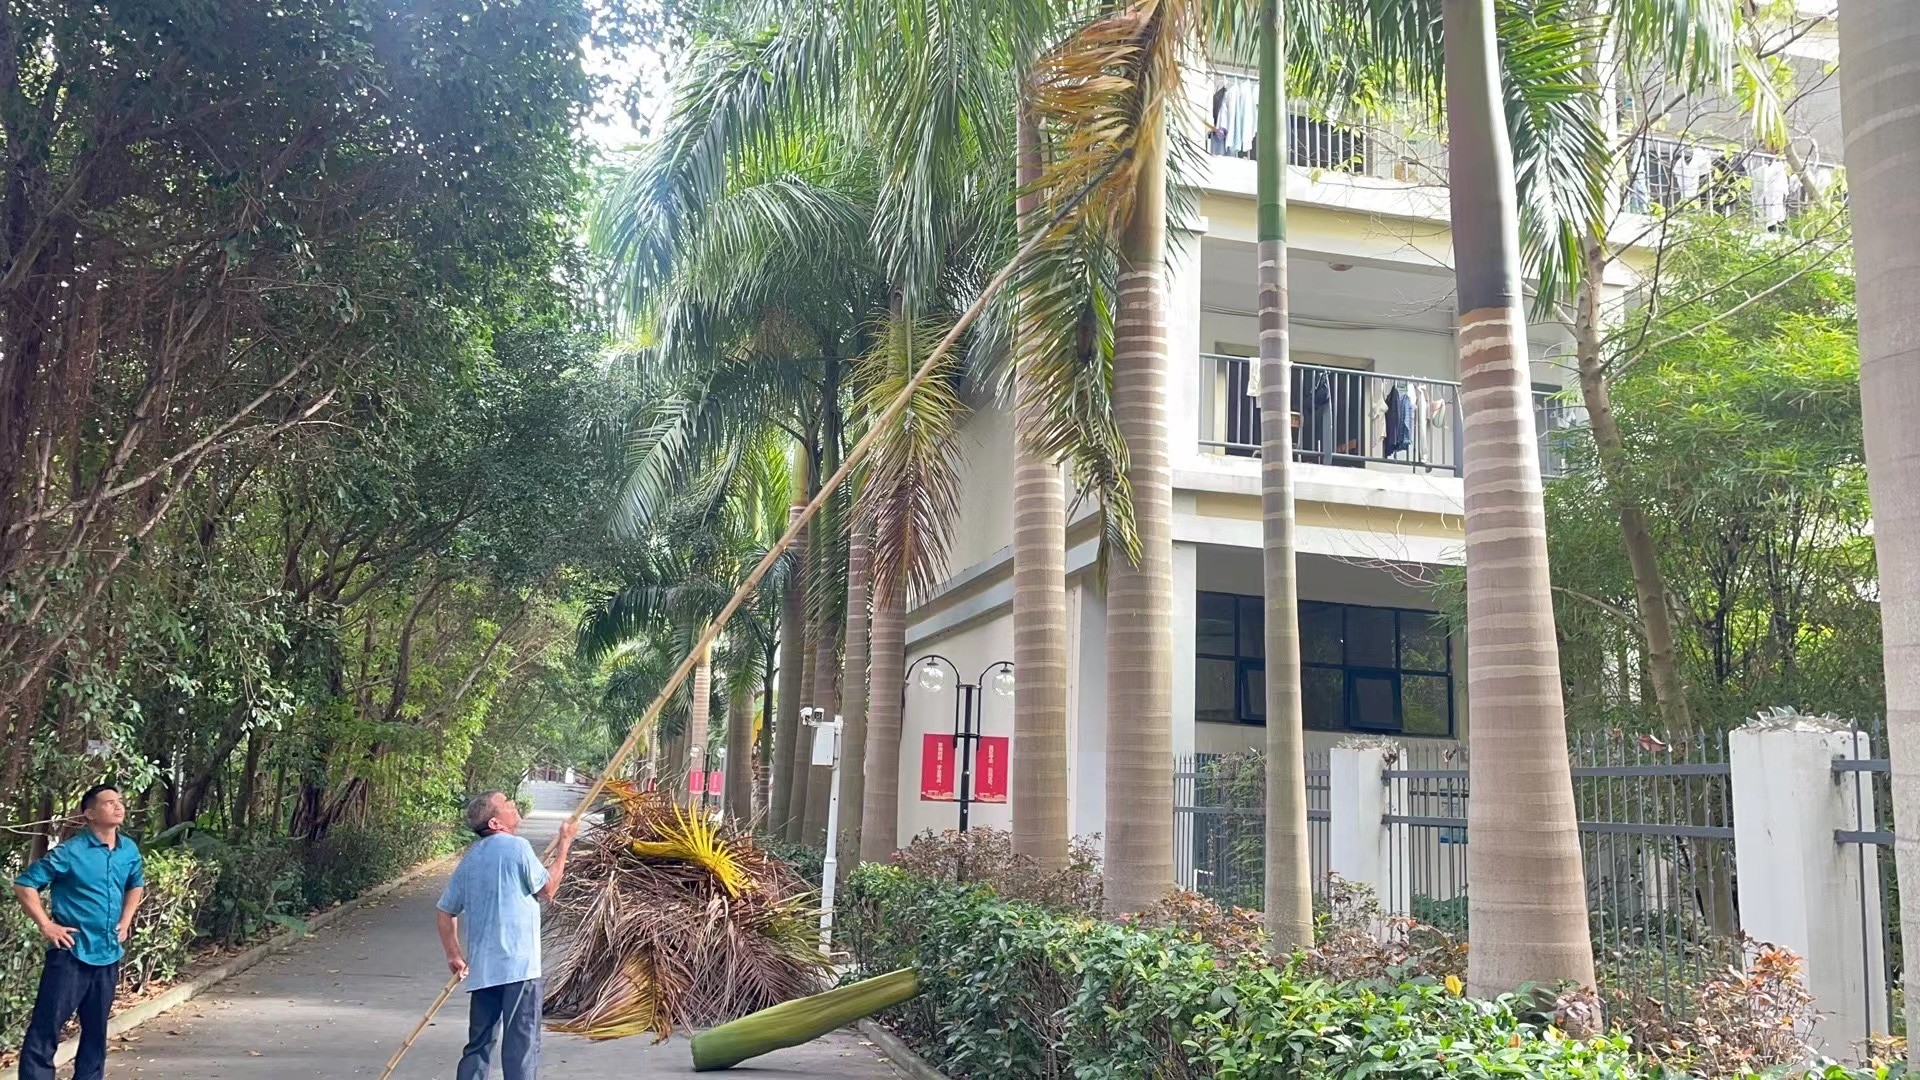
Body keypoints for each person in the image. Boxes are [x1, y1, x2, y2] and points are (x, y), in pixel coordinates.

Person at [436, 790, 578, 1080]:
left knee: (478, 1045)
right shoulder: (517, 847)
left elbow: (444, 911)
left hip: (483, 970)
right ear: (495, 823)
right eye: (505, 803)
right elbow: (548, 889)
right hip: (519, 969)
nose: (512, 804)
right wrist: (565, 843)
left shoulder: (470, 858)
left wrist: (454, 955)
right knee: (521, 1047)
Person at [12, 783, 146, 1080]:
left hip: (108, 952)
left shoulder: (128, 849)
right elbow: (25, 884)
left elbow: (135, 883)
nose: (118, 806)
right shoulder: (70, 852)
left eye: (120, 801)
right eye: (109, 802)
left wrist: (126, 919)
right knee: (47, 1028)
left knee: (96, 1031)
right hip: (71, 953)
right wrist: (46, 924)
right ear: (90, 814)